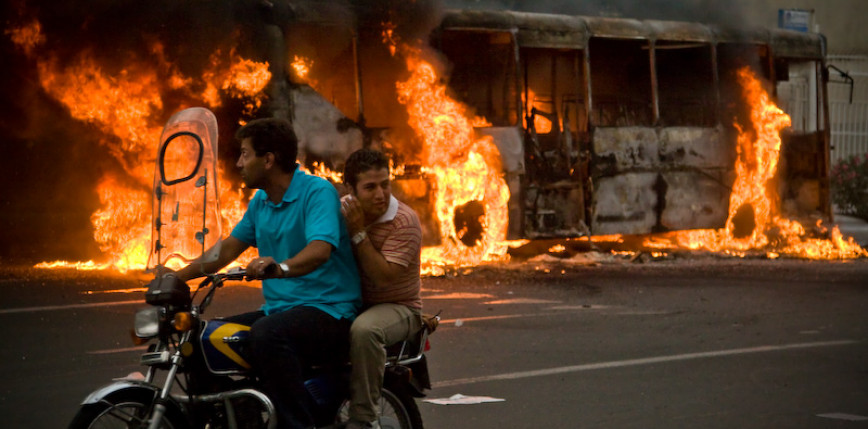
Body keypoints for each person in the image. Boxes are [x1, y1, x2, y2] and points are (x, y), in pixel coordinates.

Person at [171, 117, 361, 429]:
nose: (239, 162)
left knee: (267, 334)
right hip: (282, 310)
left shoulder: (316, 192)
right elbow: (229, 248)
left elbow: (320, 249)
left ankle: (297, 424)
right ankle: (229, 417)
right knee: (200, 336)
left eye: (245, 154)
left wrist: (281, 267)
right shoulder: (261, 201)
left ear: (269, 160)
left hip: (330, 311)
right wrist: (179, 276)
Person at [339, 149, 423, 429]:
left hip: (398, 307)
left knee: (366, 331)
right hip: (351, 301)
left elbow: (382, 277)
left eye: (385, 184)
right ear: (350, 189)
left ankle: (364, 418)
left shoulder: (404, 221)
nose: (380, 194)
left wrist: (359, 233)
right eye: (370, 187)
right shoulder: (341, 211)